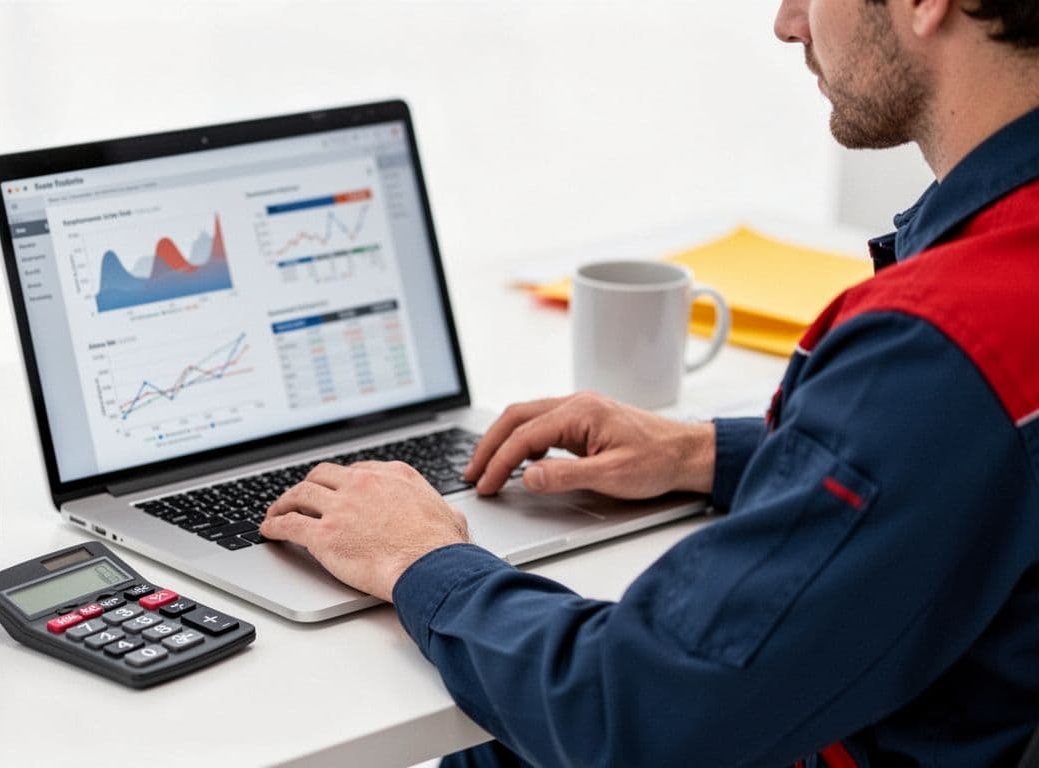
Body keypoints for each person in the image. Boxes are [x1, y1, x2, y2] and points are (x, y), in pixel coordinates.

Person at [259, 0, 1039, 765]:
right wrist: (704, 452)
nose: (787, 20)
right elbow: (965, 457)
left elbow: (637, 712)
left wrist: (419, 559)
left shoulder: (944, 340)